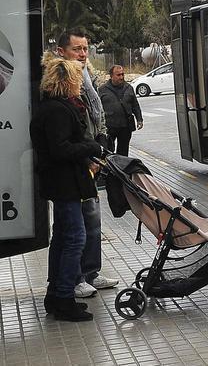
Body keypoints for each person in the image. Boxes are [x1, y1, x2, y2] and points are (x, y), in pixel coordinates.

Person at [32, 56, 105, 321]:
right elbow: (61, 149)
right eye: (76, 80)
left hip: (61, 183)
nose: (80, 85)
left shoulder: (52, 107)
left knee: (63, 237)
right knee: (75, 237)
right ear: (66, 81)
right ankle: (64, 297)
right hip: (65, 184)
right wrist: (91, 147)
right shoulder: (57, 111)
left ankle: (56, 295)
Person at [54, 29, 120, 298]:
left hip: (91, 156)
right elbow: (68, 127)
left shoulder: (86, 77)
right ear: (62, 52)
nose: (82, 54)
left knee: (93, 221)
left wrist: (102, 140)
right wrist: (88, 155)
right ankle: (75, 278)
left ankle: (91, 272)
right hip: (75, 162)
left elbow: (97, 114)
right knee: (73, 228)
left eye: (85, 49)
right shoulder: (59, 81)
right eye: (76, 49)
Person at [99, 65, 143, 157]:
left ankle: (122, 169)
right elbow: (98, 108)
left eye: (122, 74)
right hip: (109, 126)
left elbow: (135, 105)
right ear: (111, 76)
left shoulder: (128, 88)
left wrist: (139, 119)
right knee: (108, 151)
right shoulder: (102, 89)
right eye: (118, 75)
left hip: (125, 126)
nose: (121, 77)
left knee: (123, 152)